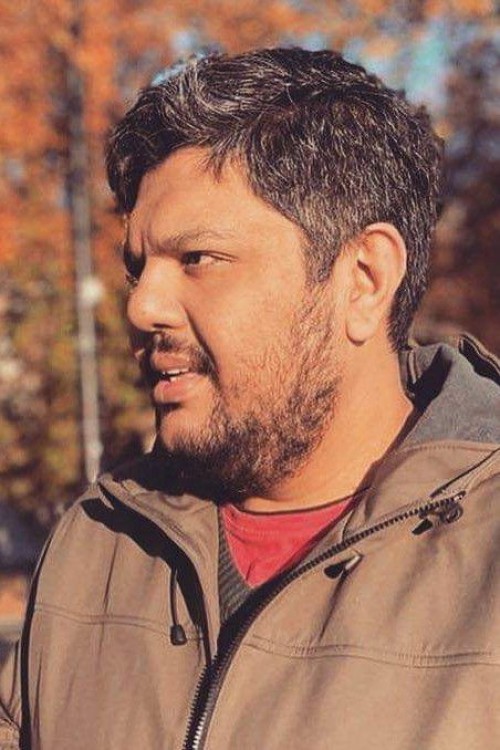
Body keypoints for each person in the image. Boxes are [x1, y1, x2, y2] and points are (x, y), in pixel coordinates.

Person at [1, 47, 499, 750]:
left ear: (363, 278)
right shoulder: (98, 542)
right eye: (137, 269)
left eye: (198, 259)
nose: (142, 307)